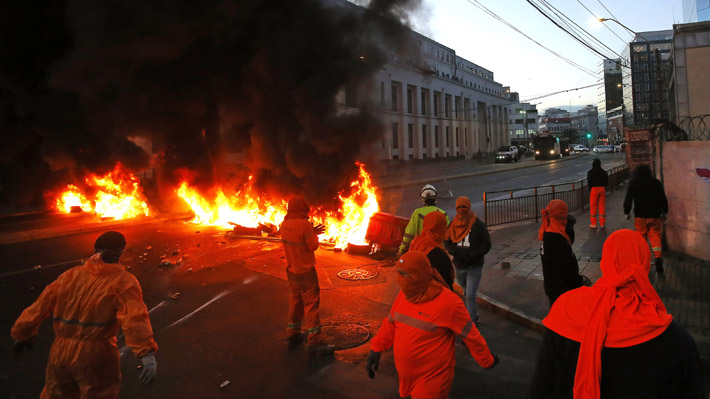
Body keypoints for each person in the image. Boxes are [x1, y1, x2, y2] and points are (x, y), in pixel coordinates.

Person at [530, 229, 704, 399]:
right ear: (644, 263)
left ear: (605, 262)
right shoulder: (675, 338)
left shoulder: (566, 311)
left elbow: (542, 387)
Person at [11, 231, 158, 399]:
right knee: (98, 393)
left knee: (56, 394)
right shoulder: (123, 282)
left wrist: (22, 333)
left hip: (60, 353)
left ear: (95, 250)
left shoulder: (69, 275)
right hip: (96, 356)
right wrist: (146, 354)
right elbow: (134, 318)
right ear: (121, 252)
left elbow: (38, 307)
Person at [365, 251, 498, 399]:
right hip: (407, 379)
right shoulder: (404, 295)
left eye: (404, 274)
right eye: (399, 273)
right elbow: (391, 323)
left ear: (418, 275)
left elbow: (471, 335)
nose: (399, 280)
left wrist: (487, 360)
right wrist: (376, 348)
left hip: (433, 380)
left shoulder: (449, 302)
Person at [280, 196, 333, 354]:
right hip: (306, 272)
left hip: (291, 270)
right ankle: (315, 339)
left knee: (296, 299)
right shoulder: (304, 225)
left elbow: (297, 238)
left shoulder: (284, 224)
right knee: (311, 303)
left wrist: (311, 232)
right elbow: (314, 246)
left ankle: (293, 331)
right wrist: (313, 233)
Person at [444, 196, 490, 324]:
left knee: (470, 295)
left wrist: (472, 255)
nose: (461, 209)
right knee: (466, 292)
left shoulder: (478, 225)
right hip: (459, 266)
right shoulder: (453, 224)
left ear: (469, 207)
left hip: (474, 266)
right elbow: (446, 241)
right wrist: (453, 251)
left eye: (464, 206)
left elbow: (486, 245)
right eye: (459, 207)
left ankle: (472, 322)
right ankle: (472, 312)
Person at [623, 164, 669, 275]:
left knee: (641, 239)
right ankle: (658, 258)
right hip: (654, 215)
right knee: (655, 237)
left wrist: (627, 212)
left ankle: (643, 262)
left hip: (640, 216)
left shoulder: (634, 183)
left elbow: (628, 198)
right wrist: (665, 211)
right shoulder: (656, 183)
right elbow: (663, 198)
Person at [539, 199, 584, 306]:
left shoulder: (548, 230)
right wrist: (579, 282)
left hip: (553, 286)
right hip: (562, 290)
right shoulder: (556, 238)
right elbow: (564, 267)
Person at [397, 184, 449, 257]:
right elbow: (448, 236)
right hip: (439, 252)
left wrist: (401, 250)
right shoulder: (443, 214)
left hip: (421, 250)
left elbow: (409, 233)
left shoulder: (418, 213)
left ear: (423, 199)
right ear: (435, 197)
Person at [409, 211, 456, 289]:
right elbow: (446, 284)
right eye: (444, 226)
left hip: (415, 292)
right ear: (440, 228)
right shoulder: (438, 255)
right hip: (432, 296)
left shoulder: (417, 242)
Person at [587, 158, 609, 229]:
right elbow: (606, 181)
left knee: (593, 206)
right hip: (602, 188)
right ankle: (602, 223)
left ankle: (594, 223)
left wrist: (590, 189)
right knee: (601, 205)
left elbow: (589, 182)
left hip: (594, 189)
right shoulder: (603, 172)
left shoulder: (590, 172)